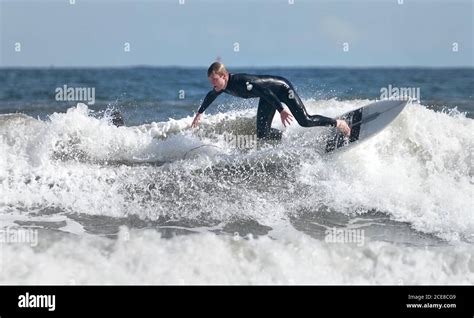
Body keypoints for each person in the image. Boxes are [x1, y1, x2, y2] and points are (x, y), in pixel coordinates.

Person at [191, 62, 351, 140]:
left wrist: (281, 110)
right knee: (262, 134)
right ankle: (288, 139)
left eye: (214, 80)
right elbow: (211, 95)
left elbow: (265, 91)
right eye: (211, 81)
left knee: (305, 121)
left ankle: (339, 123)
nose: (213, 83)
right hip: (268, 97)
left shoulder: (242, 81)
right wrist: (199, 113)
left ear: (224, 76)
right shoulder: (221, 87)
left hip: (281, 89)